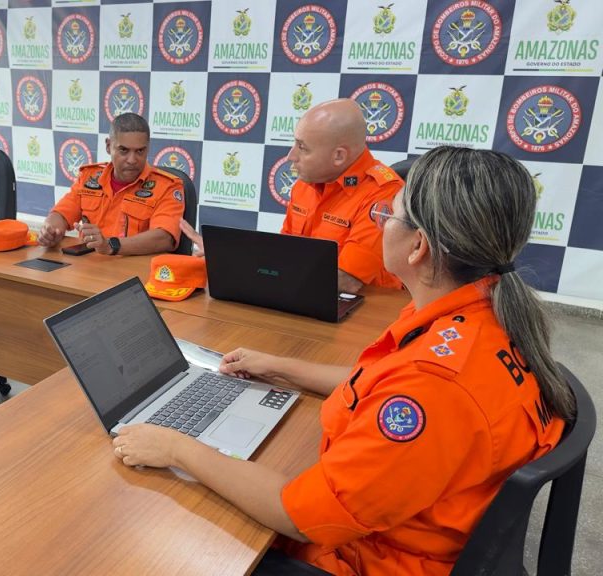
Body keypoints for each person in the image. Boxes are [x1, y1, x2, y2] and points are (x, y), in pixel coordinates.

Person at [113, 146, 573, 576]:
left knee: (161, 526)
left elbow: (299, 519)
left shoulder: (432, 389)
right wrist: (278, 367)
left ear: (418, 247)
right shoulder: (478, 314)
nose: (380, 224)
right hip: (412, 521)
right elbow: (377, 380)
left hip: (367, 560)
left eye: (386, 216)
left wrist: (177, 448)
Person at [180, 98, 402, 292]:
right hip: (304, 295)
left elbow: (346, 280)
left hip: (364, 311)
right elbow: (283, 254)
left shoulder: (385, 194)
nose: (290, 156)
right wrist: (228, 255)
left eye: (302, 148)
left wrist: (239, 263)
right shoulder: (307, 183)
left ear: (339, 156)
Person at [37, 113, 184, 256]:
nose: (132, 160)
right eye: (123, 150)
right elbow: (61, 215)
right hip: (89, 267)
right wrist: (51, 231)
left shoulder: (168, 186)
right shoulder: (89, 177)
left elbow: (164, 238)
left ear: (148, 148)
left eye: (140, 151)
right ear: (108, 146)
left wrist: (111, 245)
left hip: (137, 270)